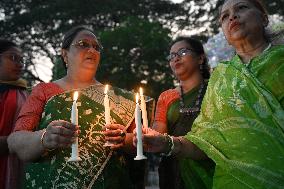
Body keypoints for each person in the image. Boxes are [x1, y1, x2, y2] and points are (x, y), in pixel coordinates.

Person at [134, 0, 284, 188]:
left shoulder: (280, 63)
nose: (232, 16)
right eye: (224, 16)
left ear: (264, 18)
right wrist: (164, 142)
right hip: (227, 181)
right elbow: (204, 143)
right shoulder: (221, 79)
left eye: (242, 8)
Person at [8, 26, 141, 189]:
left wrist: (124, 139)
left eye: (96, 47)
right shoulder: (44, 91)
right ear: (64, 54)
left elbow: (141, 143)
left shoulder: (119, 98)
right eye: (83, 44)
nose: (92, 49)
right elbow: (15, 140)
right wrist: (45, 138)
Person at [153, 36, 214, 189]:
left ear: (200, 58)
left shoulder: (216, 88)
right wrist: (144, 135)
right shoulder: (166, 97)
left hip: (210, 167)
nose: (176, 58)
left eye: (183, 52)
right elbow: (158, 135)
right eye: (172, 56)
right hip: (173, 173)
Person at [0, 39, 28, 189]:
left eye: (21, 60)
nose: (19, 64)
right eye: (12, 58)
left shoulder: (26, 93)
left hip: (19, 164)